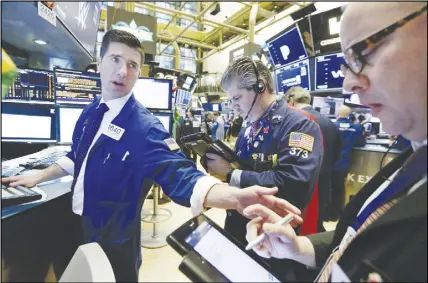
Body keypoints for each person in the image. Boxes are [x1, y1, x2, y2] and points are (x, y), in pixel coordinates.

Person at [1, 30, 303, 282]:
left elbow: (181, 173)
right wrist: (38, 176)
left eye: (132, 65)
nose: (123, 71)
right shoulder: (92, 110)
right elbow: (76, 155)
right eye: (116, 60)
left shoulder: (143, 127)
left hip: (115, 241)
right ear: (100, 62)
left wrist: (235, 197)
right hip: (78, 225)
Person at [245, 3, 427, 282]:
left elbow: (294, 176)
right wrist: (299, 247)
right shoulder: (412, 160)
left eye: (363, 52)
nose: (348, 85)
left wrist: (235, 176)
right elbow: (359, 236)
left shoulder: (300, 124)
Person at [204, 56, 324, 242]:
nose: (234, 107)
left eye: (237, 97)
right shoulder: (248, 125)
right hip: (238, 226)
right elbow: (245, 165)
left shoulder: (300, 126)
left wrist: (230, 174)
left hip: (272, 237)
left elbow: (293, 183)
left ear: (260, 86)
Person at [285, 86, 342, 231]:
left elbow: (296, 159)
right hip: (324, 185)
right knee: (317, 225)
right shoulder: (329, 123)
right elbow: (336, 154)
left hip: (305, 189)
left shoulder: (300, 122)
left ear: (290, 100)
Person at [330, 105, 367, 219]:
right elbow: (361, 143)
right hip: (343, 163)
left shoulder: (331, 126)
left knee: (329, 188)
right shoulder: (356, 128)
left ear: (337, 113)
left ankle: (328, 214)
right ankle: (337, 214)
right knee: (340, 189)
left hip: (329, 162)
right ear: (350, 115)